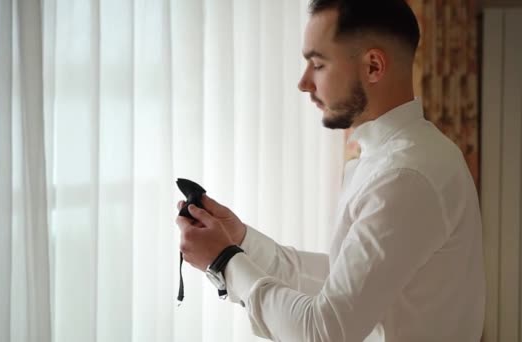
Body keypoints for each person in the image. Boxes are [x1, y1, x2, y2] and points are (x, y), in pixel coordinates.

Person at [175, 0, 485, 341]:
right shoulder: (391, 160)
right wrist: (240, 242)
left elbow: (323, 332)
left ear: (373, 66)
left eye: (318, 64)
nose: (304, 82)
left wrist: (223, 260)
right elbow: (343, 280)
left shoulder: (405, 175)